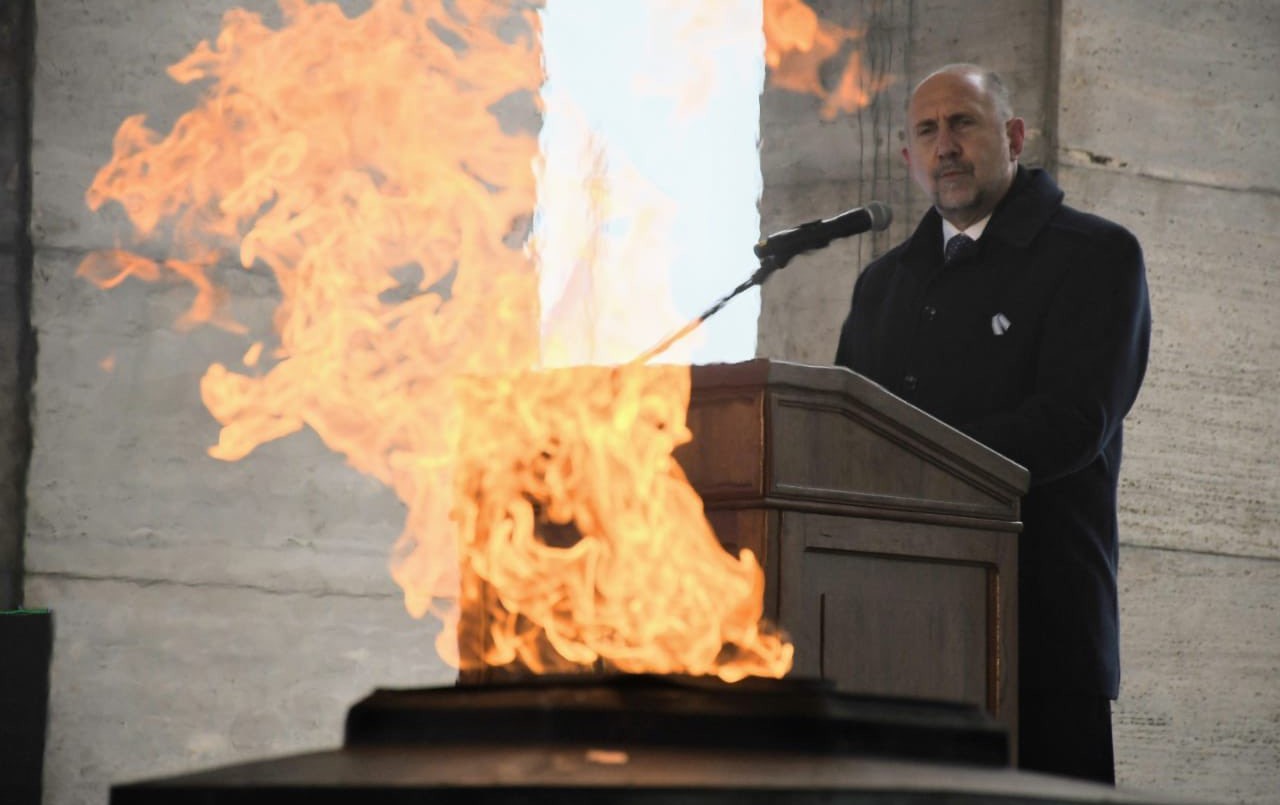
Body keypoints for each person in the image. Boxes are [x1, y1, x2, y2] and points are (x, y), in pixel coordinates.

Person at [834, 64, 1151, 784]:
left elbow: (1073, 423)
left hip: (1037, 631)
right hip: (892, 633)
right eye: (926, 130)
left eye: (963, 123)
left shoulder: (1096, 256)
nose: (945, 145)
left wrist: (912, 460)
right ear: (906, 157)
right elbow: (846, 434)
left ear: (1012, 136)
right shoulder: (882, 285)